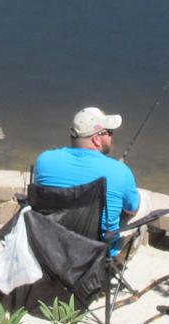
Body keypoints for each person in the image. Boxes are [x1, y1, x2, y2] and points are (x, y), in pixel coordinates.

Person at [32, 107, 140, 254]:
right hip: (94, 256)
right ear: (96, 138)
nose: (111, 137)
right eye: (109, 132)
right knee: (142, 201)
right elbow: (131, 210)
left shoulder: (44, 160)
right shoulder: (120, 172)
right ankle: (118, 264)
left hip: (48, 249)